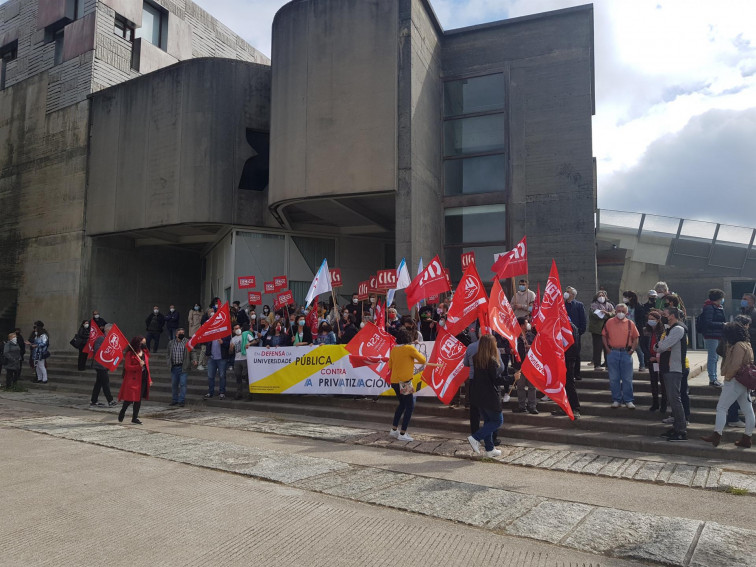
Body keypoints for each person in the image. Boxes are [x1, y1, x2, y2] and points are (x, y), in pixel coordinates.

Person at [702, 322, 756, 448]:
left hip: (735, 381)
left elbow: (735, 365)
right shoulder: (747, 344)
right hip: (744, 382)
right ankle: (747, 438)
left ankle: (717, 435)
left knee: (721, 408)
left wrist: (728, 377)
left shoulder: (737, 345)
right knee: (748, 411)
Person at [466, 334, 508, 457]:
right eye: (495, 343)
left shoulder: (476, 358)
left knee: (488, 421)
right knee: (497, 421)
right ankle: (475, 437)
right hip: (490, 396)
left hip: (478, 394)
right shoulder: (492, 361)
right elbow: (497, 380)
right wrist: (512, 378)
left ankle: (490, 449)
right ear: (491, 345)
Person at [655, 307, 688, 442]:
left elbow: (662, 347)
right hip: (667, 368)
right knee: (672, 399)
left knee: (675, 399)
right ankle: (676, 428)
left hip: (674, 368)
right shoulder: (670, 329)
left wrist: (660, 346)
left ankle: (681, 430)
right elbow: (660, 346)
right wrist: (660, 345)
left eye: (665, 314)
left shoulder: (678, 329)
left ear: (673, 316)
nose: (664, 316)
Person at [388, 329, 428, 441]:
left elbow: (390, 366)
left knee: (402, 404)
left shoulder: (394, 349)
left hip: (394, 381)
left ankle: (394, 429)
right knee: (409, 406)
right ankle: (402, 433)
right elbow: (423, 359)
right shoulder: (409, 348)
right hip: (404, 382)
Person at [602, 303, 639, 409]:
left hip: (626, 353)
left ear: (626, 312)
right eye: (618, 311)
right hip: (612, 352)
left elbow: (636, 337)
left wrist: (632, 350)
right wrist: (607, 349)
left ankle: (628, 400)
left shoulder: (630, 323)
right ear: (615, 311)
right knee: (614, 378)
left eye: (623, 311)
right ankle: (616, 399)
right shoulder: (609, 322)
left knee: (627, 378)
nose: (620, 313)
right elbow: (603, 336)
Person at [118, 336, 151, 425]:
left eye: (144, 343)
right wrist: (138, 366)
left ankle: (135, 417)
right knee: (130, 399)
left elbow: (147, 366)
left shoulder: (143, 352)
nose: (143, 345)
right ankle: (123, 411)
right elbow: (127, 367)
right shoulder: (130, 353)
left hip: (143, 378)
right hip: (133, 379)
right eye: (142, 343)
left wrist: (149, 379)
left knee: (138, 399)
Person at [553, 320, 582, 418]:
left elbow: (573, 345)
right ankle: (565, 407)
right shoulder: (565, 326)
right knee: (563, 384)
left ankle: (575, 408)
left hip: (568, 359)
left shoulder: (570, 327)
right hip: (563, 359)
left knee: (569, 384)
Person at [700, 289, 726, 388]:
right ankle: (712, 378)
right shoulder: (709, 308)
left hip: (716, 335)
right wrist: (722, 324)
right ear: (718, 298)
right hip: (711, 336)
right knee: (712, 357)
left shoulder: (717, 307)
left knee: (715, 358)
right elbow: (708, 323)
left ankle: (714, 378)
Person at [512, 318, 538, 414]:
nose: (528, 325)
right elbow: (510, 348)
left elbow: (537, 347)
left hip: (530, 365)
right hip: (519, 365)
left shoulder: (531, 335)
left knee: (532, 387)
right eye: (527, 323)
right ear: (522, 325)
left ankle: (532, 406)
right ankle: (522, 406)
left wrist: (531, 347)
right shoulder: (515, 336)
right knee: (520, 387)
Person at [642, 310, 666, 412]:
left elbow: (664, 344)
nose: (650, 321)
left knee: (663, 383)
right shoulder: (645, 330)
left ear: (658, 320)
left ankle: (664, 405)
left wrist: (657, 357)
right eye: (649, 319)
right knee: (653, 382)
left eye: (653, 319)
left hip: (661, 359)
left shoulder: (663, 330)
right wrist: (649, 357)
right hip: (651, 359)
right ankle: (655, 403)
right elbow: (643, 345)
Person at [91, 323, 117, 407]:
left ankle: (94, 400)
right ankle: (110, 400)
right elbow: (97, 350)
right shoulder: (101, 339)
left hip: (104, 365)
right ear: (107, 330)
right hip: (100, 365)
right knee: (105, 383)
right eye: (111, 330)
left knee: (98, 383)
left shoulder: (108, 340)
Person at [563, 287, 586, 380]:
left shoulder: (579, 305)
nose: (566, 293)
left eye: (568, 292)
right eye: (566, 291)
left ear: (573, 294)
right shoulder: (562, 304)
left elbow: (583, 319)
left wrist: (580, 331)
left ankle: (577, 373)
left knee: (576, 354)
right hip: (564, 334)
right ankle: (567, 373)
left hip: (575, 334)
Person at [166, 327, 192, 407]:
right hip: (174, 367)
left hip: (183, 366)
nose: (182, 334)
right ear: (176, 334)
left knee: (183, 384)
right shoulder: (171, 343)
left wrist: (194, 360)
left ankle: (181, 401)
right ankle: (174, 400)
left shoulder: (187, 342)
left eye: (183, 333)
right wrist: (168, 362)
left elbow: (193, 351)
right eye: (180, 333)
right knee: (174, 384)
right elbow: (168, 353)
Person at [230, 325, 257, 400]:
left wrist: (249, 344)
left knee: (246, 376)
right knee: (238, 377)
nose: (238, 329)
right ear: (233, 331)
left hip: (246, 358)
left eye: (238, 328)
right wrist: (231, 348)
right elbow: (230, 352)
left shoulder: (245, 335)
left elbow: (255, 341)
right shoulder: (232, 339)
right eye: (236, 328)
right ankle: (239, 393)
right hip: (237, 360)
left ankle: (250, 394)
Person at [588, 291, 614, 369]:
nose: (601, 297)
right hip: (597, 330)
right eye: (600, 295)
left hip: (608, 330)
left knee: (608, 347)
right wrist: (607, 315)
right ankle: (597, 364)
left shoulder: (609, 305)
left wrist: (607, 313)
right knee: (597, 348)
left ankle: (607, 364)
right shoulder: (593, 305)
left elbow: (613, 313)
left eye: (603, 295)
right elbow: (597, 315)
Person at [622, 291, 646, 371]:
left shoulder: (638, 307)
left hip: (635, 330)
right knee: (625, 348)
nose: (624, 299)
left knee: (638, 348)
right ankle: (626, 365)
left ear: (630, 298)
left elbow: (641, 319)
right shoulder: (624, 306)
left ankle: (642, 365)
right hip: (625, 330)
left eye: (625, 297)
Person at [204, 333, 231, 400]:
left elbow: (229, 344)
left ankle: (222, 393)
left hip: (222, 358)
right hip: (212, 358)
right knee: (210, 376)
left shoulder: (225, 333)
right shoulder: (211, 333)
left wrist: (223, 342)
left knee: (222, 376)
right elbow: (206, 343)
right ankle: (210, 392)